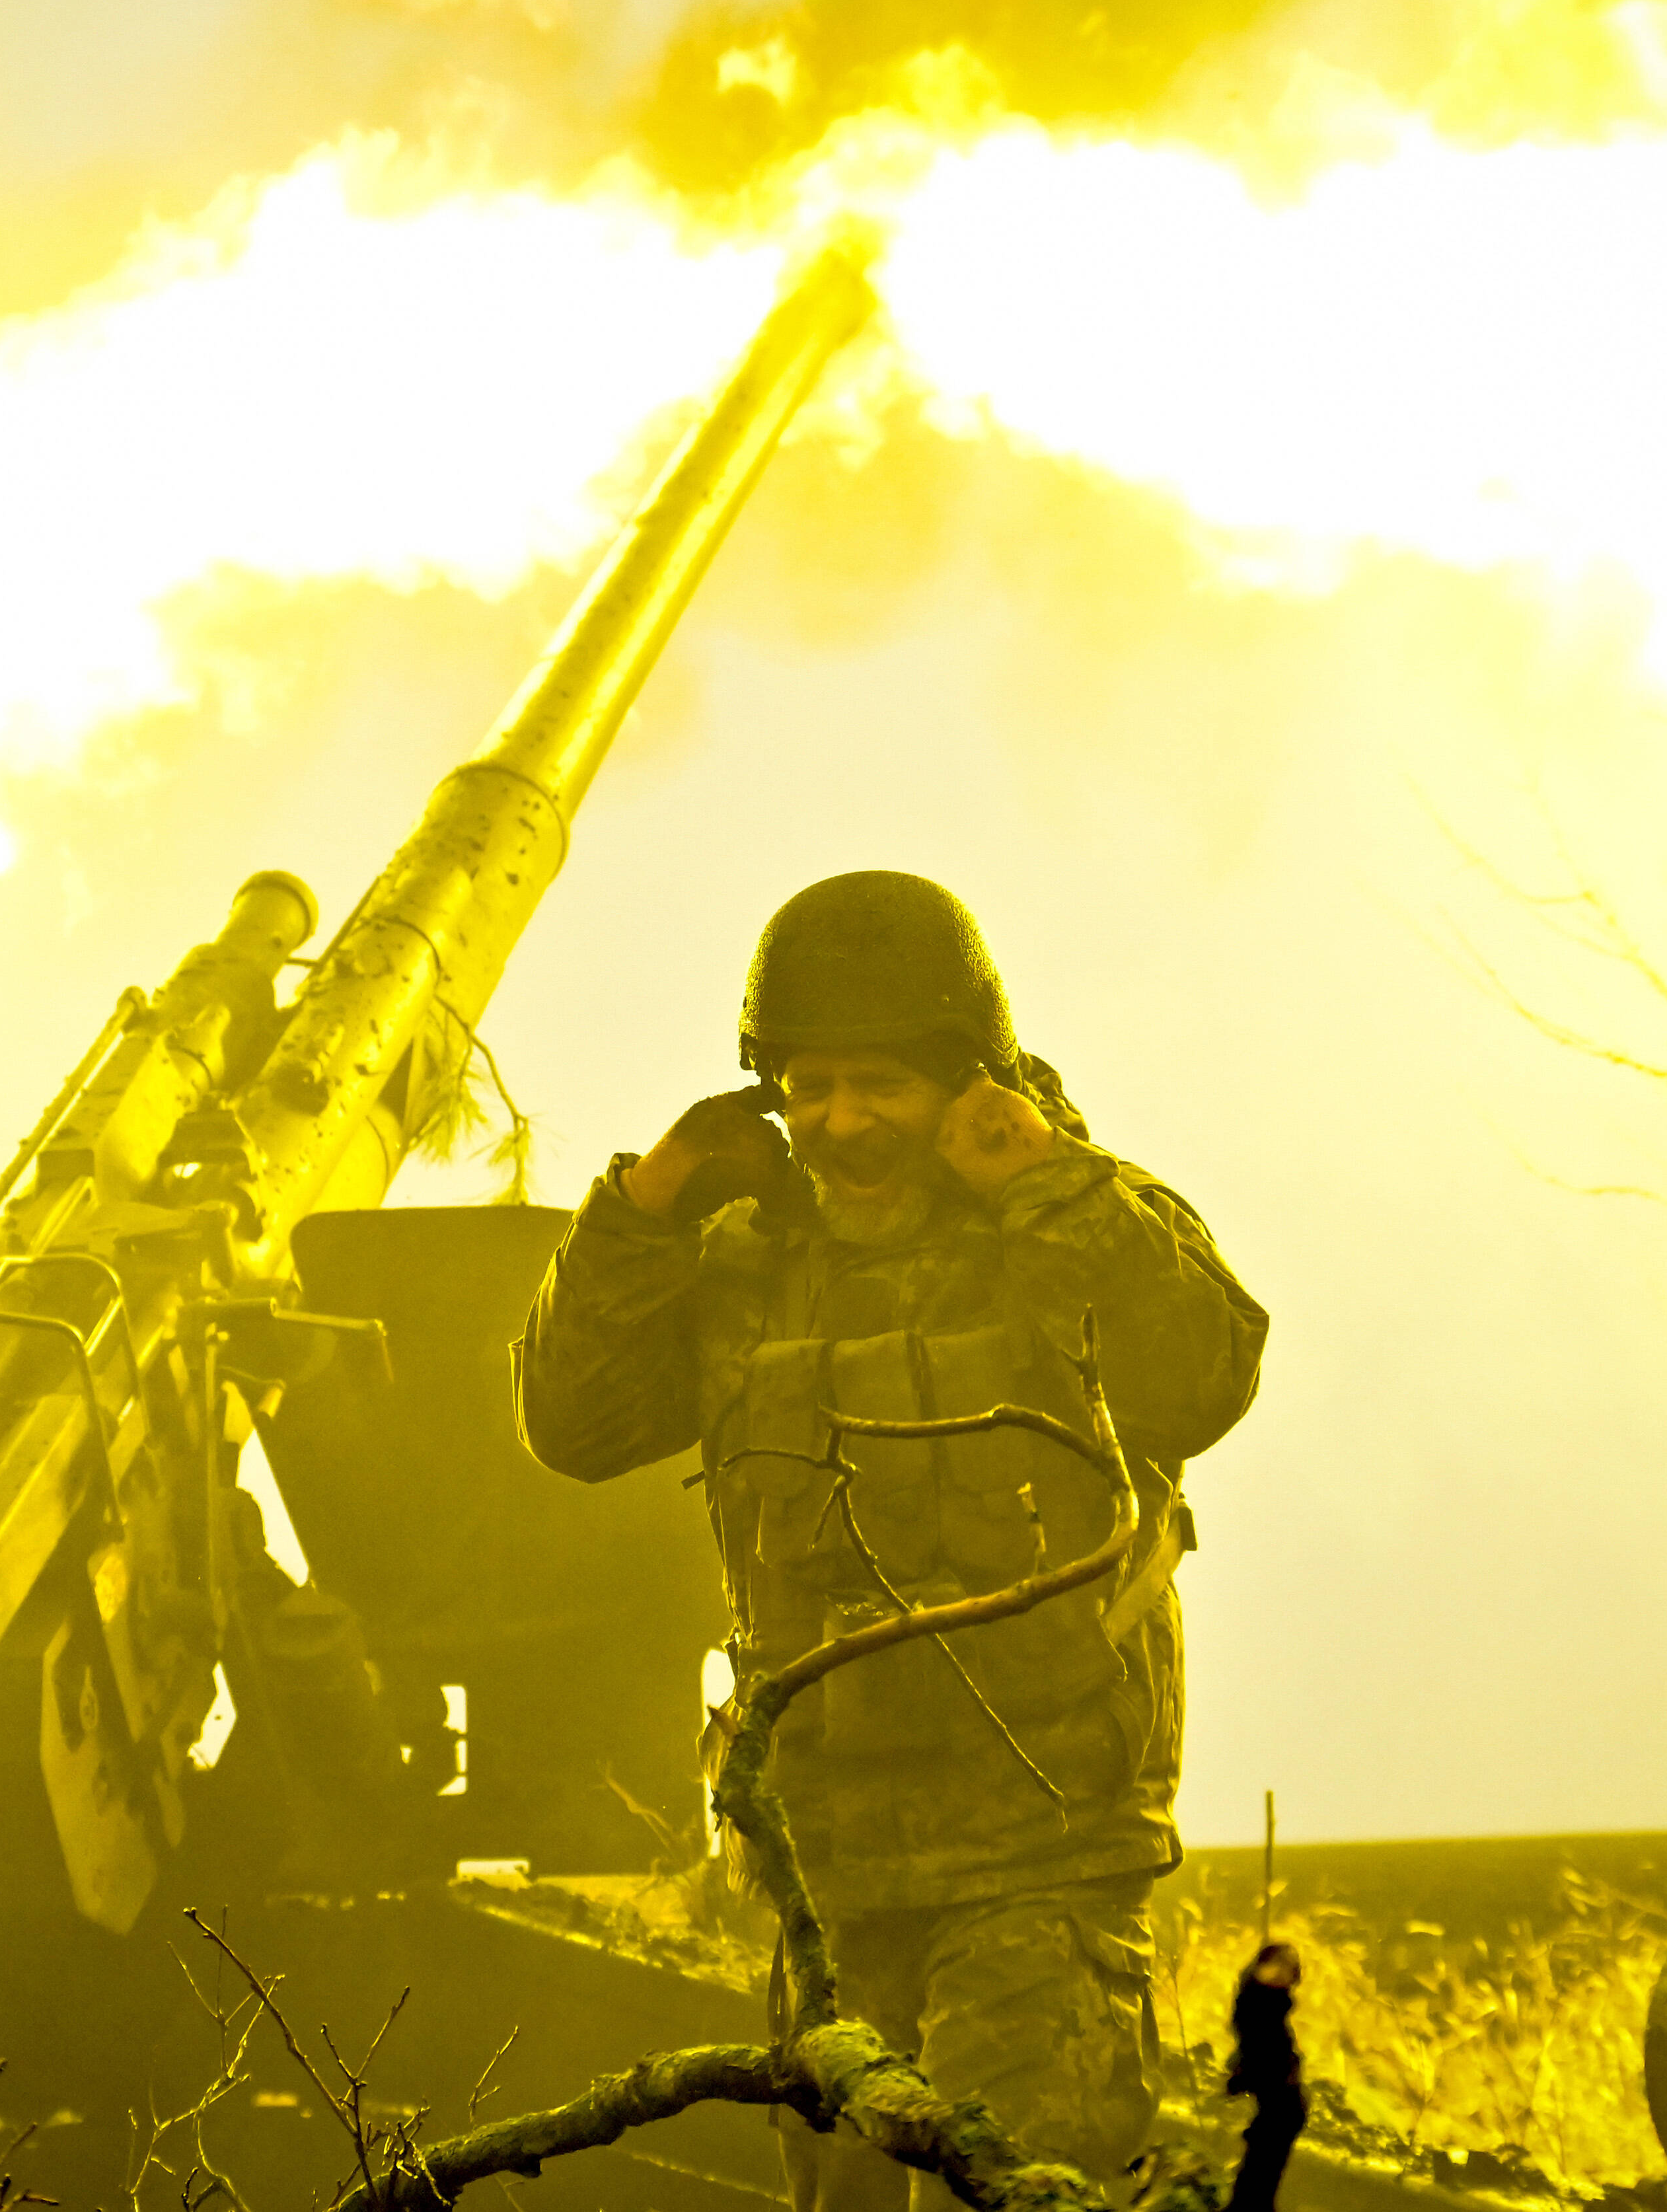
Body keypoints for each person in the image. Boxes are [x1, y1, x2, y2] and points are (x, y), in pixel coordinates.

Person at [517, 871, 1268, 2212]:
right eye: (807, 1089)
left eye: (879, 1085)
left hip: (1038, 1856)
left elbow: (1203, 1380)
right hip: (829, 1869)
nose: (841, 1121)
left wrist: (1047, 1184)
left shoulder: (1073, 1214)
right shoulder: (739, 1254)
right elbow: (572, 1426)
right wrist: (644, 1202)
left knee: (1014, 2192)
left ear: (966, 1078)